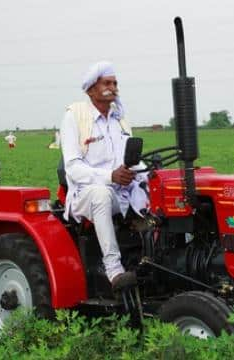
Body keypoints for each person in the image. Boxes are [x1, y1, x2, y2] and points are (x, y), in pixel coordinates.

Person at [60, 61, 148, 291]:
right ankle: (114, 270)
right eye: (106, 83)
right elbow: (73, 167)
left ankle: (153, 259)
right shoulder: (75, 116)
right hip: (86, 194)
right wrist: (110, 176)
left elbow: (133, 159)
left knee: (163, 192)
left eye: (115, 83)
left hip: (122, 192)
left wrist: (150, 173)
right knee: (101, 195)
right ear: (91, 89)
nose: (113, 87)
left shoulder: (120, 119)